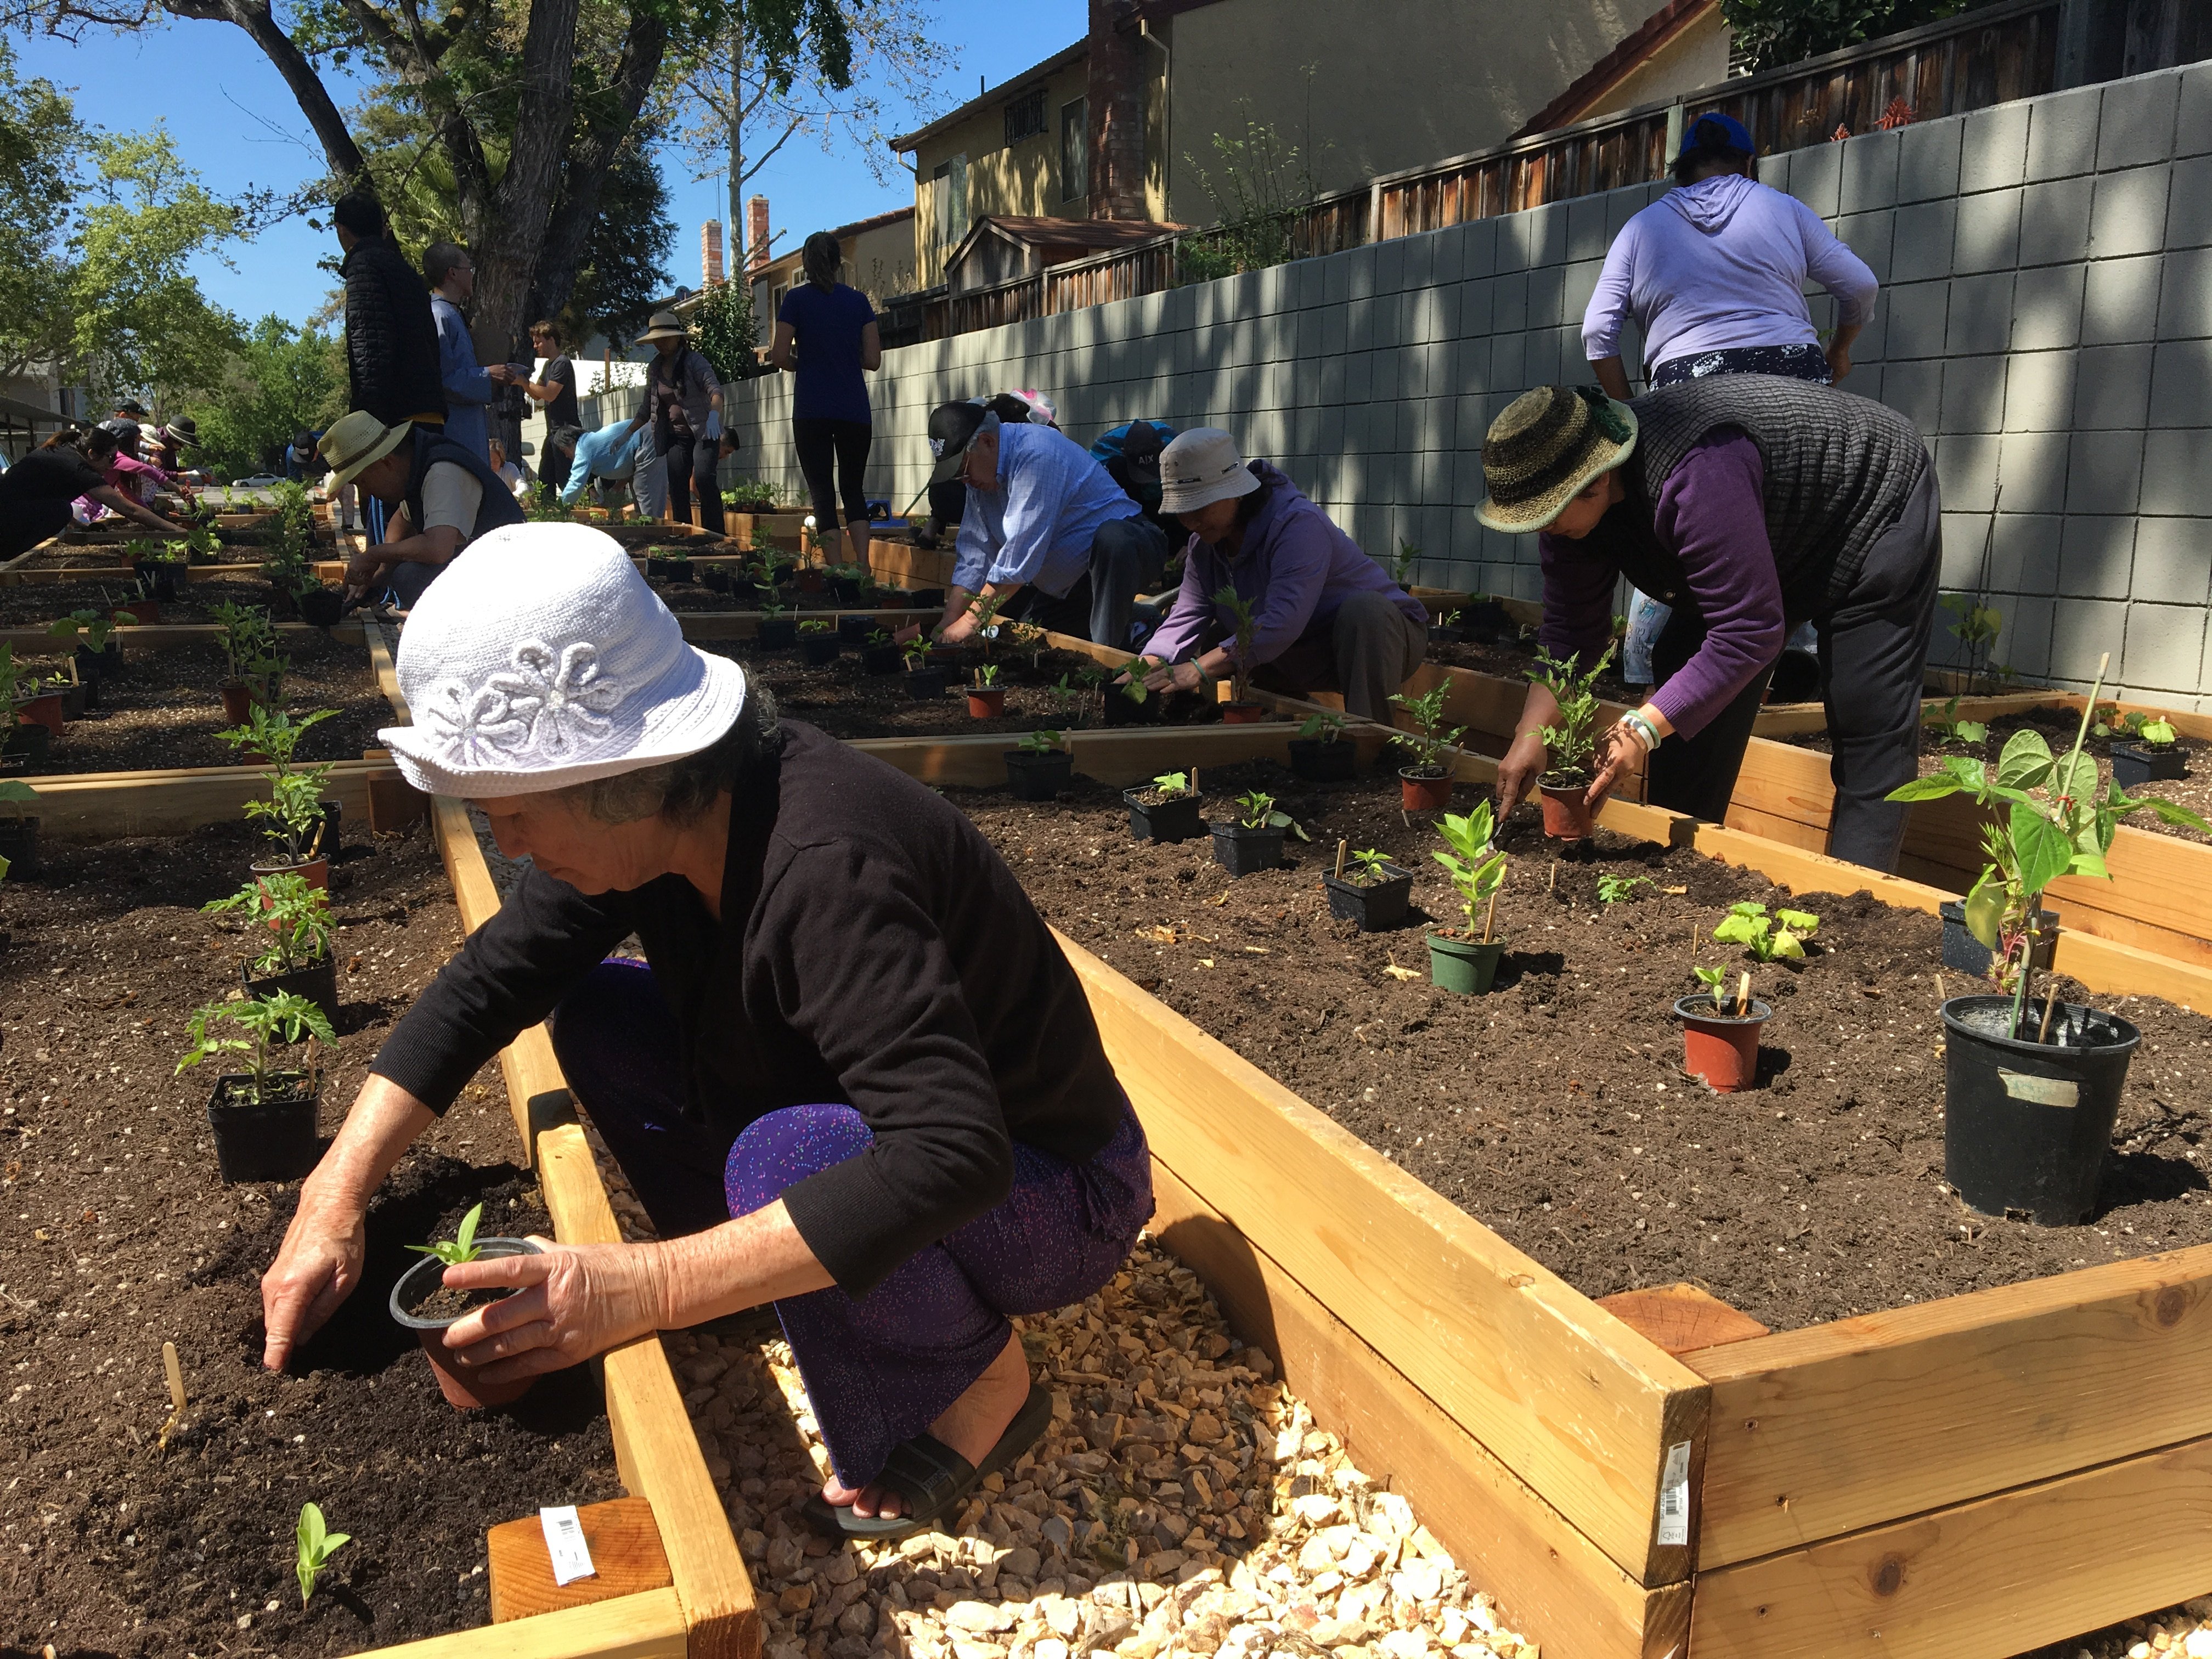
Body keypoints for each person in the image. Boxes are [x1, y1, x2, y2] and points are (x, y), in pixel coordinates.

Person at [255, 527, 1152, 1537]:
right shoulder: (667, 817)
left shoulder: (824, 862)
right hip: (891, 1119)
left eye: (511, 808)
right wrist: (334, 1193)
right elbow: (488, 980)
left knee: (790, 1154)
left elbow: (951, 1152)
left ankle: (983, 1379)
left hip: (1053, 1190)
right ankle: (761, 1271)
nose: (504, 841)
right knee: (591, 1006)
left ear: (621, 775)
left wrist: (650, 1283)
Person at [1480, 380, 1939, 872]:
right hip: (1770, 527)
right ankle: (1682, 864)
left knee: (1867, 719)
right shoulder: (1568, 513)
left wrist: (1639, 728)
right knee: (1683, 677)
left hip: (1869, 507)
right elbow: (1572, 633)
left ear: (1597, 481)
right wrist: (1530, 736)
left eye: (1547, 518)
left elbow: (1747, 631)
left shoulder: (1697, 472)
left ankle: (1862, 900)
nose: (1543, 531)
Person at [1587, 110, 1876, 706]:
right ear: (1751, 164)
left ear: (1679, 172)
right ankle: (1803, 672)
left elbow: (1597, 334)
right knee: (1805, 524)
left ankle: (1647, 673)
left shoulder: (1643, 228)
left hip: (1687, 397)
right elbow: (1861, 286)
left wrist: (1629, 419)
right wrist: (1839, 350)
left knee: (1673, 523)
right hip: (1793, 387)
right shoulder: (1782, 208)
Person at [1135, 429, 1427, 721]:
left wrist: (1199, 669)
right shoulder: (1205, 546)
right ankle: (1277, 729)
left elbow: (1283, 619)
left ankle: (1370, 743)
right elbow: (1188, 614)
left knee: (1365, 612)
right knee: (1221, 637)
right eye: (1182, 510)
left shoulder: (1296, 526)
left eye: (1200, 506)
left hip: (1380, 642)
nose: (1191, 521)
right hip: (1301, 649)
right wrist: (1144, 666)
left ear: (1235, 492)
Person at [921, 402, 1166, 650]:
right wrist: (949, 620)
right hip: (1074, 584)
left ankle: (1108, 657)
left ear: (987, 442)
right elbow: (975, 555)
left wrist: (970, 622)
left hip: (1132, 549)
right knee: (1031, 629)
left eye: (964, 469)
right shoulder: (981, 480)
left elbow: (1018, 558)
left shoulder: (1037, 454)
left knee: (1113, 540)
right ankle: (1138, 620)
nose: (965, 481)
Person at [320, 409, 525, 611]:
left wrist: (374, 555)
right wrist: (380, 572)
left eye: (362, 482)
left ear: (387, 463)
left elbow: (438, 549)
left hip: (513, 576)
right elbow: (403, 518)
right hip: (493, 565)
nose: (364, 492)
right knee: (403, 573)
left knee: (410, 578)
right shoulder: (417, 461)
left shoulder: (441, 472)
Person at [770, 232, 881, 570]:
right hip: (854, 410)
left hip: (811, 409)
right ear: (837, 263)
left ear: (804, 262)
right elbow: (874, 359)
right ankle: (863, 565)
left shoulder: (795, 300)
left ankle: (835, 571)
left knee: (822, 493)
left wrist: (803, 363)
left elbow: (778, 354)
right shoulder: (859, 302)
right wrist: (844, 356)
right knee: (854, 489)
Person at [0, 426, 180, 558]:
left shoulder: (63, 452)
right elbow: (129, 510)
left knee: (62, 510)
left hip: (10, 510)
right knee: (62, 511)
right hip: (6, 519)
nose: (112, 465)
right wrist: (177, 531)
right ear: (93, 454)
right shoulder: (78, 468)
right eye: (110, 458)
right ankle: (11, 555)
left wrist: (83, 528)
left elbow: (44, 496)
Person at [625, 310, 724, 535]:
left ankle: (716, 534)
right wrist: (625, 435)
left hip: (704, 433)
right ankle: (684, 534)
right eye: (656, 340)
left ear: (678, 337)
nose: (661, 344)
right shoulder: (655, 368)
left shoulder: (694, 362)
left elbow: (715, 391)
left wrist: (714, 416)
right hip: (676, 438)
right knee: (677, 484)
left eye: (665, 338)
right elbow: (645, 409)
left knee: (703, 479)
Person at [425, 242, 497, 463]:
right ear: (453, 273)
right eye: (469, 269)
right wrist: (489, 374)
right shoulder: (439, 316)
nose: (472, 275)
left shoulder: (451, 313)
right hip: (455, 435)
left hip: (468, 434)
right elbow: (443, 379)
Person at [514, 320, 582, 501]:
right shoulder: (549, 366)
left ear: (551, 340)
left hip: (567, 433)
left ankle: (573, 516)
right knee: (545, 481)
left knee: (566, 481)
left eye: (539, 342)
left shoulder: (562, 363)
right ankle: (548, 513)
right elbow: (537, 396)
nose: (535, 346)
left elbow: (550, 395)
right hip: (553, 433)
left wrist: (524, 382)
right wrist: (522, 380)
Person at [552, 421, 664, 518]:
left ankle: (654, 534)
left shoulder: (583, 450)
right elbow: (628, 467)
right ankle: (649, 532)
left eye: (564, 450)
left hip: (645, 439)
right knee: (640, 493)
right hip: (644, 437)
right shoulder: (589, 442)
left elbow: (576, 483)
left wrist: (559, 509)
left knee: (643, 490)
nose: (566, 456)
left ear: (571, 442)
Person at [487, 437, 530, 503]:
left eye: (496, 461)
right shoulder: (483, 470)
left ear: (501, 460)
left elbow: (521, 484)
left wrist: (516, 496)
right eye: (490, 461)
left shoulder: (509, 468)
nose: (492, 465)